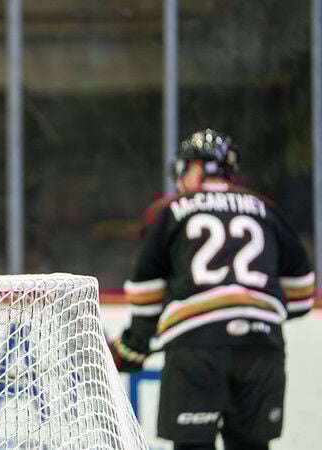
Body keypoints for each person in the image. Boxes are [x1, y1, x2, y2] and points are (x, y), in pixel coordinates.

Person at [110, 129, 315, 450]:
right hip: (263, 347)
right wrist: (252, 313)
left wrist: (134, 346)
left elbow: (146, 300)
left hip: (197, 349)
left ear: (194, 169)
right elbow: (303, 295)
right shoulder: (266, 210)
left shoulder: (171, 211)